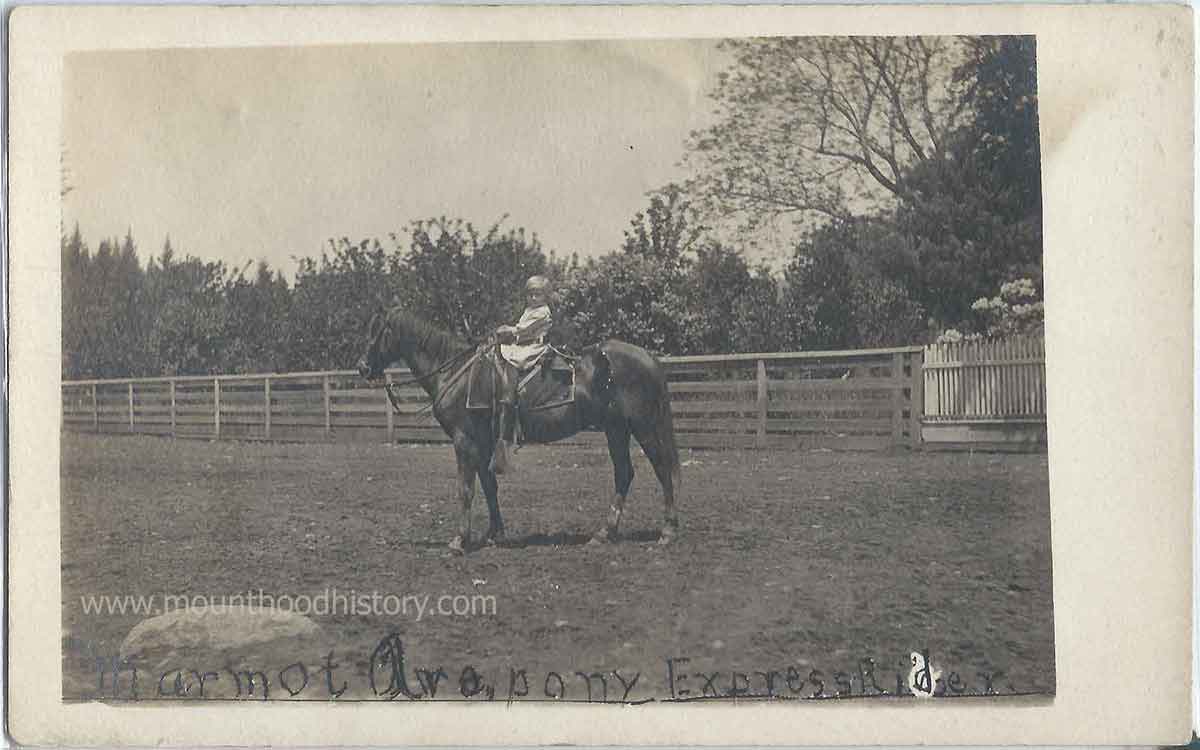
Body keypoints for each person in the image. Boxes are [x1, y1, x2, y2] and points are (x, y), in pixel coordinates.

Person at [491, 275, 553, 474]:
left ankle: (508, 395)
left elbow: (523, 329)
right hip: (523, 345)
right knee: (502, 353)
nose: (533, 298)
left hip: (534, 347)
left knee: (511, 360)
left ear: (545, 296)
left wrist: (508, 329)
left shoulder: (543, 312)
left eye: (538, 294)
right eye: (530, 294)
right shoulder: (529, 310)